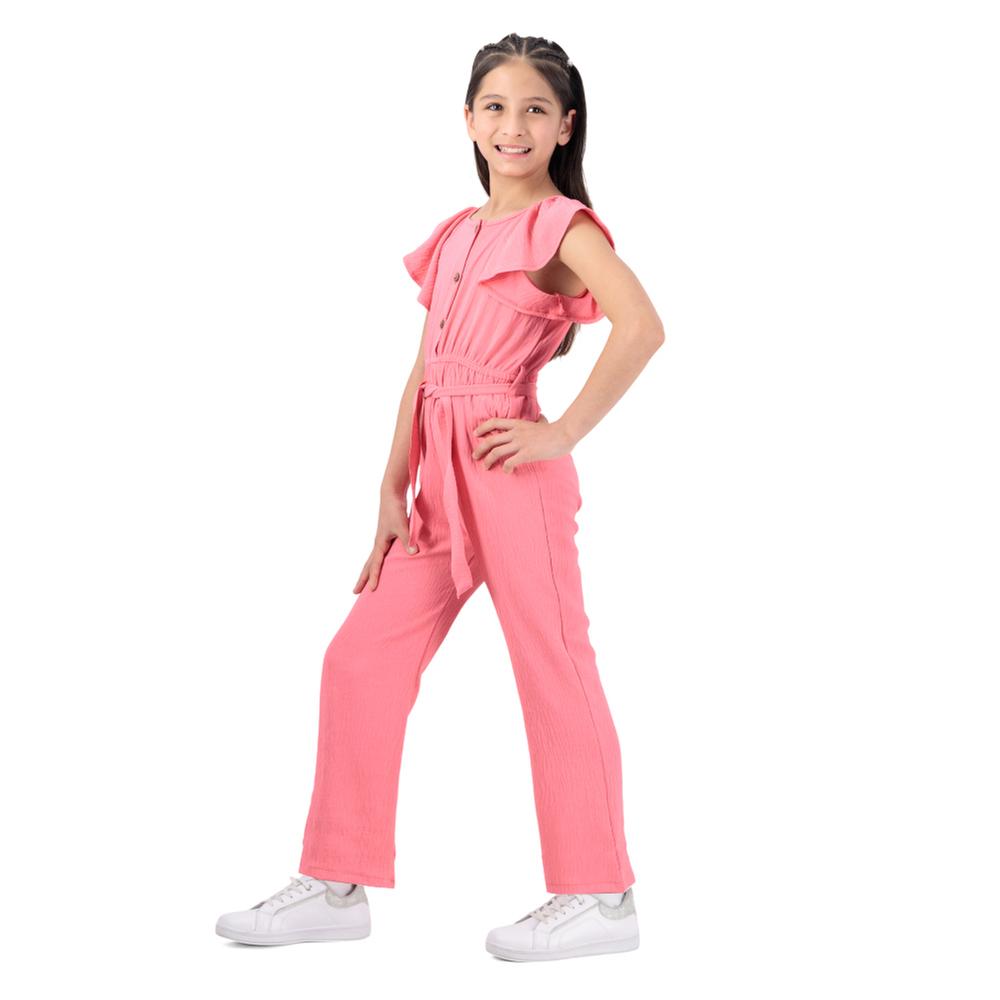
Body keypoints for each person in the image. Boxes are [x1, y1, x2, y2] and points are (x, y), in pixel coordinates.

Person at [216, 32, 664, 962]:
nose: (513, 124)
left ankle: (600, 895)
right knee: (358, 657)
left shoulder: (564, 228)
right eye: (495, 106)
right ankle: (336, 881)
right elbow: (426, 370)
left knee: (553, 668)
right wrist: (392, 483)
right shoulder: (459, 233)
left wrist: (559, 432)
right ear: (467, 119)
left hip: (512, 470)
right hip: (435, 484)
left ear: (565, 126)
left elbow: (643, 326)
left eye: (535, 108)